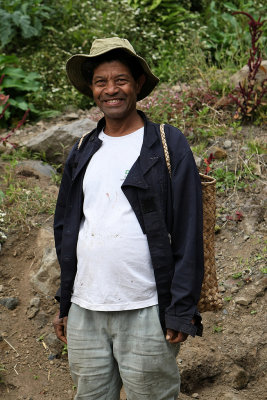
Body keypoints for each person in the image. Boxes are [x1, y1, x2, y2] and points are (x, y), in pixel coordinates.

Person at [53, 37, 204, 400]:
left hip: (146, 308)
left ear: (137, 83)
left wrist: (181, 309)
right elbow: (66, 227)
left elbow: (188, 232)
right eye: (101, 81)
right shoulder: (81, 149)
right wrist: (65, 303)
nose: (111, 90)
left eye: (120, 79)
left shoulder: (167, 143)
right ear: (91, 89)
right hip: (87, 309)